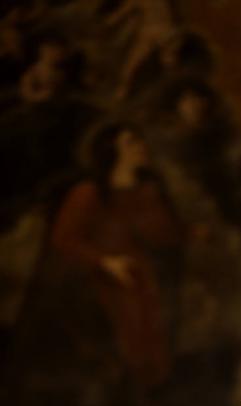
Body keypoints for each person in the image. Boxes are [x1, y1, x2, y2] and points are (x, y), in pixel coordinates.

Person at [50, 121, 183, 392]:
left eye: (139, 142)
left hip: (144, 273)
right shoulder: (88, 193)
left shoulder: (148, 189)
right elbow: (65, 239)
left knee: (155, 332)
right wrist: (103, 261)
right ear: (112, 151)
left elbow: (167, 235)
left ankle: (154, 391)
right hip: (98, 277)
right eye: (131, 143)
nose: (141, 148)